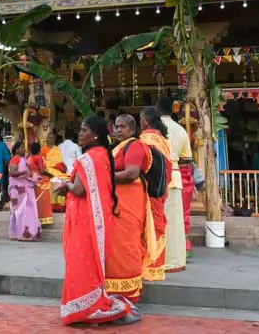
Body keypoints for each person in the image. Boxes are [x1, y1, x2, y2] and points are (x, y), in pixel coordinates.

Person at [54, 116, 137, 326]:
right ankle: (89, 302)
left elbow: (79, 190)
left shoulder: (87, 159)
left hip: (85, 219)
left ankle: (85, 307)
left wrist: (66, 186)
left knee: (80, 261)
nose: (80, 134)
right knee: (91, 261)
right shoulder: (103, 155)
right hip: (100, 218)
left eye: (84, 130)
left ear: (96, 135)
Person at [108, 114, 151, 303]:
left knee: (127, 243)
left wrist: (104, 176)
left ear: (132, 130)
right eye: (116, 126)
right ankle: (115, 288)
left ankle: (129, 290)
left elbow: (131, 173)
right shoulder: (119, 146)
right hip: (119, 201)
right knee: (117, 244)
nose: (118, 130)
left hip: (130, 201)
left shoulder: (134, 145)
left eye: (122, 127)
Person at [139, 106, 172, 282]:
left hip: (147, 191)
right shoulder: (162, 139)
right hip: (160, 191)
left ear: (144, 122)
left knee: (147, 227)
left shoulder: (145, 138)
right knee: (158, 225)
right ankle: (157, 266)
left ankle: (148, 267)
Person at [157, 96, 189, 272]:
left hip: (157, 177)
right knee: (175, 223)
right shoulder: (181, 130)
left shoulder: (153, 129)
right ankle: (176, 261)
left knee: (156, 220)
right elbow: (187, 161)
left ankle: (158, 260)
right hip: (175, 177)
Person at [8, 141, 41, 241]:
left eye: (24, 147)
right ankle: (17, 233)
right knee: (18, 211)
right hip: (17, 188)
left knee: (26, 210)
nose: (23, 149)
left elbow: (29, 173)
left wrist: (35, 177)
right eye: (21, 147)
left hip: (25, 188)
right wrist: (25, 173)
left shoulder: (24, 160)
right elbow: (13, 173)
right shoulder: (15, 158)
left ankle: (25, 233)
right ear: (16, 149)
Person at [28, 142, 54, 226]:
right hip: (40, 180)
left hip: (32, 179)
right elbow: (42, 171)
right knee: (43, 199)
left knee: (36, 200)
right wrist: (50, 175)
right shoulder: (38, 157)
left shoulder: (30, 157)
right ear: (39, 149)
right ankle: (43, 218)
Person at [44, 132, 68, 212]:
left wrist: (54, 164)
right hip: (46, 169)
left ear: (54, 139)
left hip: (56, 170)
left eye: (52, 138)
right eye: (49, 138)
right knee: (51, 180)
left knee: (62, 180)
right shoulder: (43, 149)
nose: (51, 139)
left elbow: (60, 161)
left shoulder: (57, 149)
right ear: (47, 139)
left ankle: (60, 205)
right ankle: (52, 205)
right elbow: (41, 161)